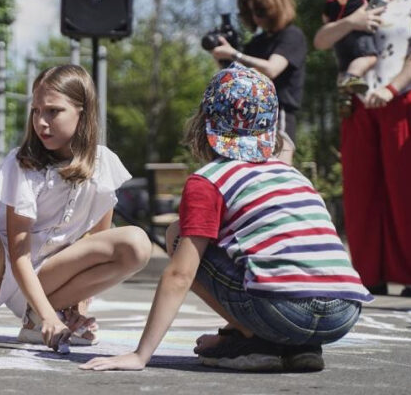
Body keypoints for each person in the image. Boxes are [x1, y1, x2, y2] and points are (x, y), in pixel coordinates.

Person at [80, 65, 372, 373]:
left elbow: (180, 275)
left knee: (179, 237)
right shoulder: (293, 175)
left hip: (285, 312)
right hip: (343, 313)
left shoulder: (209, 179)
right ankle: (297, 346)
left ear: (206, 120)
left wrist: (140, 355)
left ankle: (258, 339)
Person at [0, 64, 151, 352]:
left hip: (50, 281)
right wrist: (50, 317)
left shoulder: (103, 164)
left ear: (82, 111)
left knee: (135, 242)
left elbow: (94, 243)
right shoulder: (23, 163)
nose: (41, 122)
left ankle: (39, 318)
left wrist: (75, 308)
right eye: (36, 111)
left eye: (53, 111)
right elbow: (19, 255)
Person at [313, 0, 411, 297]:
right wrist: (351, 20)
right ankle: (367, 273)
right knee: (361, 191)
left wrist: (391, 88)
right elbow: (323, 39)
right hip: (358, 102)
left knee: (408, 190)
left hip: (403, 98)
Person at [207, 0, 307, 162]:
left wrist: (234, 54)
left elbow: (272, 69)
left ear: (274, 6)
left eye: (259, 11)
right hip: (248, 115)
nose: (255, 18)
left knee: (278, 170)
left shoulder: (291, 36)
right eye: (250, 12)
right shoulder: (256, 43)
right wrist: (222, 59)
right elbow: (235, 78)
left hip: (278, 113)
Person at [323, 0, 390, 103]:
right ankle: (352, 77)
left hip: (339, 38)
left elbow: (325, 19)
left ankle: (344, 97)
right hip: (359, 35)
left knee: (343, 66)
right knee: (368, 58)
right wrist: (373, 12)